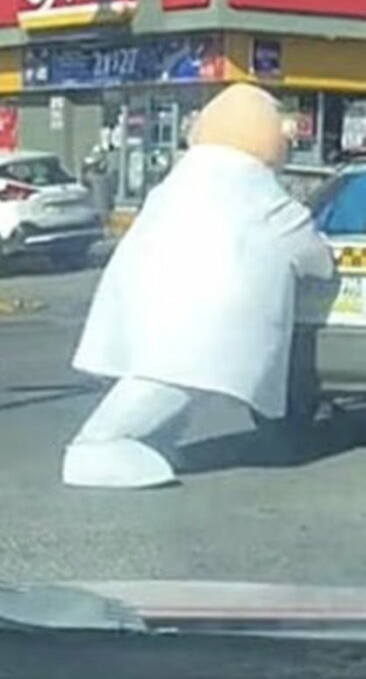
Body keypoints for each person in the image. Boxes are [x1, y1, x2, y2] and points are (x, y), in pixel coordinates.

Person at [65, 84, 335, 489]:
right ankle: (96, 445)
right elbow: (315, 259)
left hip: (143, 302)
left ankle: (149, 441)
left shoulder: (174, 184)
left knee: (162, 378)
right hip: (205, 319)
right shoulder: (264, 196)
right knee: (172, 379)